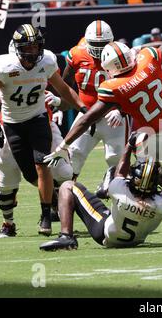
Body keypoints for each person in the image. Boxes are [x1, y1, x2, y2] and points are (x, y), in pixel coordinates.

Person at [45, 41, 162, 245]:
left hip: (152, 135)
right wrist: (138, 50)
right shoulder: (147, 59)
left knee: (142, 169)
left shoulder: (113, 86)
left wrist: (64, 144)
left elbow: (86, 119)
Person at [0, 24, 86, 236]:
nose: (33, 51)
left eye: (36, 46)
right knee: (17, 177)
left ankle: (49, 214)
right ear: (16, 49)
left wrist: (83, 107)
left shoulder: (46, 61)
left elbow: (63, 89)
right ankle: (10, 222)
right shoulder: (5, 66)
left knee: (50, 167)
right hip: (11, 125)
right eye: (29, 47)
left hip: (38, 119)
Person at [40, 132, 162, 250]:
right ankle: (103, 191)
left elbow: (120, 170)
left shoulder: (120, 189)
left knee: (68, 185)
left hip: (105, 234)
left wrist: (129, 146)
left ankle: (66, 236)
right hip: (136, 240)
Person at [62, 20, 128, 197]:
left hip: (112, 115)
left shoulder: (121, 54)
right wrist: (60, 104)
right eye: (95, 44)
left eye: (103, 44)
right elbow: (64, 84)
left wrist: (121, 110)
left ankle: (117, 194)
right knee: (73, 155)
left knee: (116, 158)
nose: (99, 49)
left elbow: (132, 86)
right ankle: (66, 197)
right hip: (87, 114)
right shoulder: (77, 54)